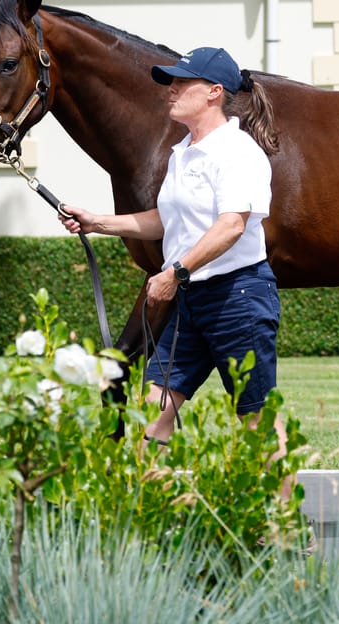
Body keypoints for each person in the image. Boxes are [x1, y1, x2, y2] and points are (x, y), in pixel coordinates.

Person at [59, 46, 283, 452]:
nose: (170, 90)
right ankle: (152, 513)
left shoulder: (237, 152)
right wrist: (98, 222)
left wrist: (174, 272)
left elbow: (232, 224)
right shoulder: (183, 153)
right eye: (170, 82)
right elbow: (167, 221)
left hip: (238, 298)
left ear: (214, 92)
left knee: (257, 418)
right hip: (189, 300)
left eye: (182, 82)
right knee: (152, 415)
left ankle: (282, 516)